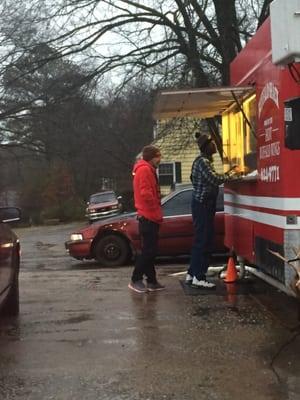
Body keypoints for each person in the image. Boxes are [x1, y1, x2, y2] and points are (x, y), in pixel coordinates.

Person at [186, 132, 239, 289]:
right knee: (205, 241)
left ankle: (191, 273)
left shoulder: (203, 161)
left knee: (199, 241)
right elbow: (215, 179)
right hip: (203, 206)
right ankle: (199, 277)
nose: (215, 145)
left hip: (201, 205)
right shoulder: (203, 162)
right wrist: (233, 172)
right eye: (212, 143)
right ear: (206, 146)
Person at [128, 145, 165, 293]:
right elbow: (145, 193)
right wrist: (155, 205)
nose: (160, 159)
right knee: (149, 251)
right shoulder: (145, 170)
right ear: (151, 157)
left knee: (150, 250)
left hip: (149, 216)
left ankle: (152, 281)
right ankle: (135, 279)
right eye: (158, 156)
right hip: (148, 216)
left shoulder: (146, 169)